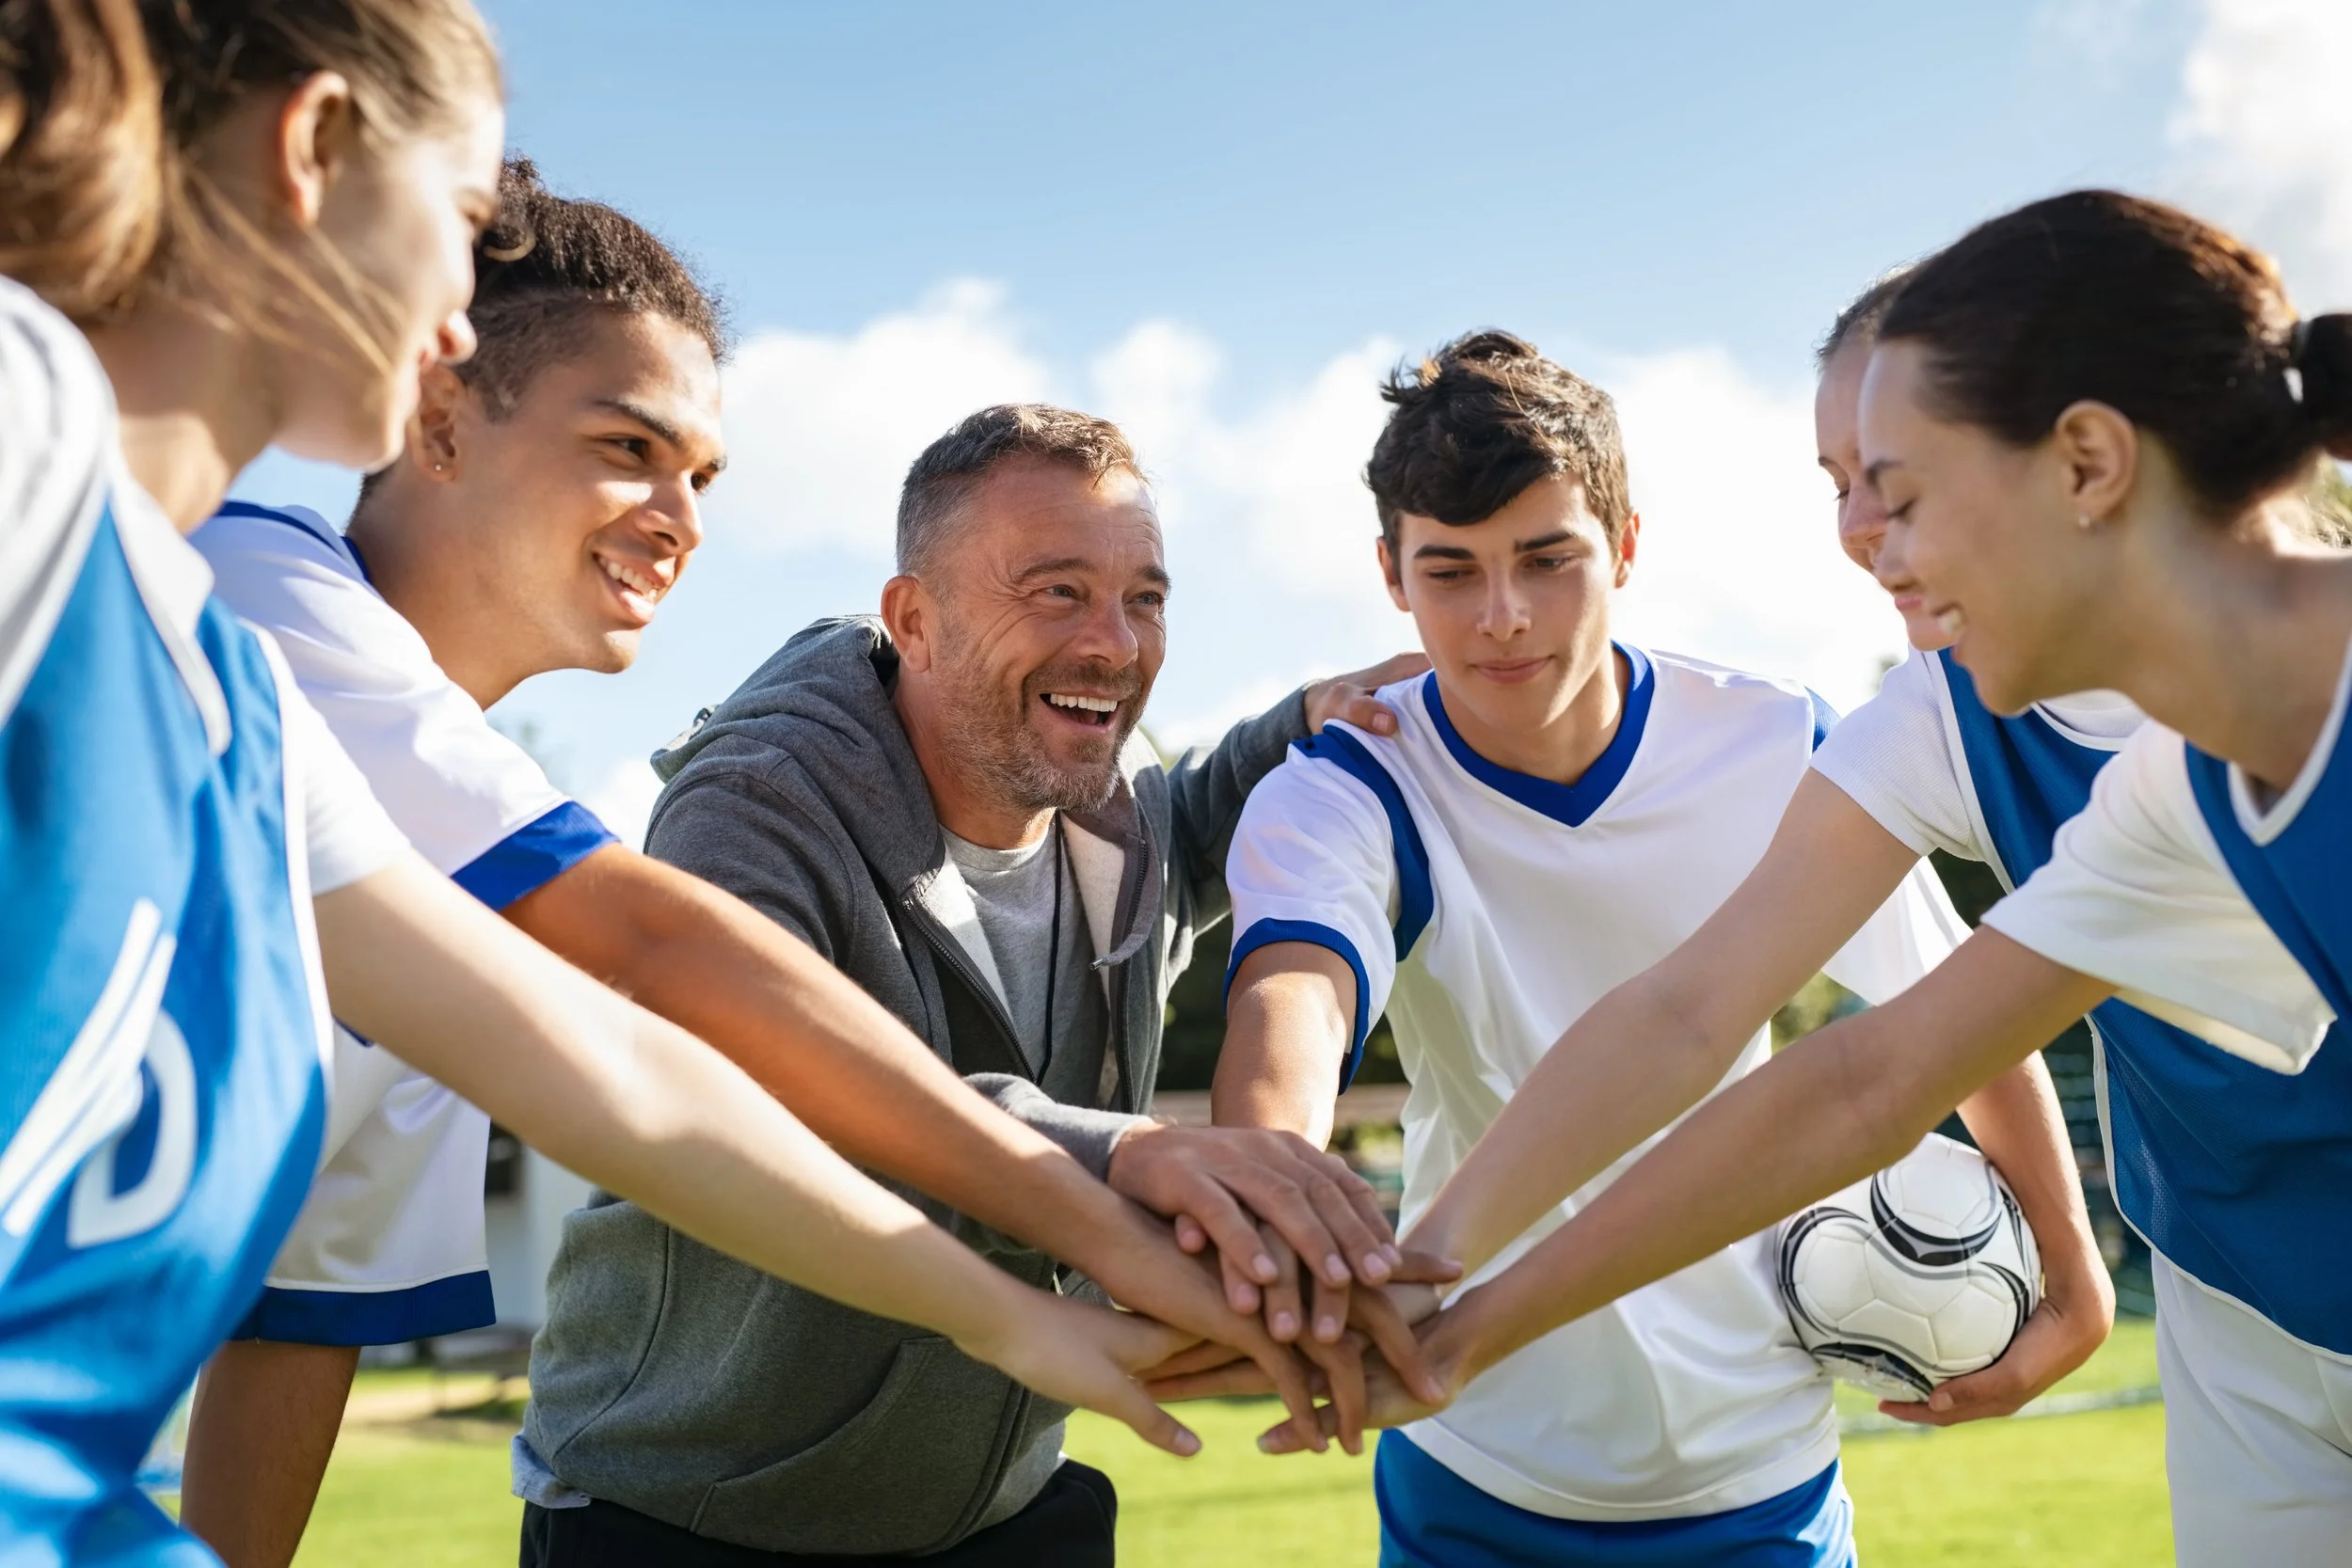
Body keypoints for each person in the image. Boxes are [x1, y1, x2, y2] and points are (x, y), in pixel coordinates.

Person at [0, 4, 1231, 1559]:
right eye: (456, 232)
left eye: (704, 476)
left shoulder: (265, 728)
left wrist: (1017, 1316)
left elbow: (563, 1127)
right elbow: (650, 960)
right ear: (312, 152)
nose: (458, 317)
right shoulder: (204, 556)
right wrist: (1089, 1206)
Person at [178, 160, 1400, 1568]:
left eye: (700, 474)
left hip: (997, 1506)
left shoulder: (440, 895)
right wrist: (1108, 1198)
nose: (684, 517)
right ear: (440, 416)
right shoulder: (258, 604)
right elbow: (679, 985)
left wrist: (1322, 720)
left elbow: (300, 1318)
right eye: (629, 447)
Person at [1319, 192, 2352, 1566]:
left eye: (1905, 491)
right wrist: (1438, 1307)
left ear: (2088, 463)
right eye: (1844, 487)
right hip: (2261, 1318)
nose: (1873, 541)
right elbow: (1857, 1074)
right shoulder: (2166, 807)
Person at [1200, 330, 2090, 1565]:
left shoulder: (1780, 742)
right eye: (1450, 570)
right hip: (1475, 1455)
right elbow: (1294, 991)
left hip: (1760, 1461)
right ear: (1391, 577)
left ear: (1624, 544)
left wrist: (2071, 1262)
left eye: (1548, 559)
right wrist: (1268, 1191)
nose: (1502, 616)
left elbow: (1951, 1021)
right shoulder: (1350, 783)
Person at [512, 402, 1437, 1566]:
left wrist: (1298, 722)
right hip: (693, 1513)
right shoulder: (750, 803)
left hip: (997, 1507)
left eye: (1142, 598)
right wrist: (1127, 1150)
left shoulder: (1114, 797)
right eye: (1054, 590)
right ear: (917, 618)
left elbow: (1191, 822)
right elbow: (781, 1097)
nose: (1113, 642)